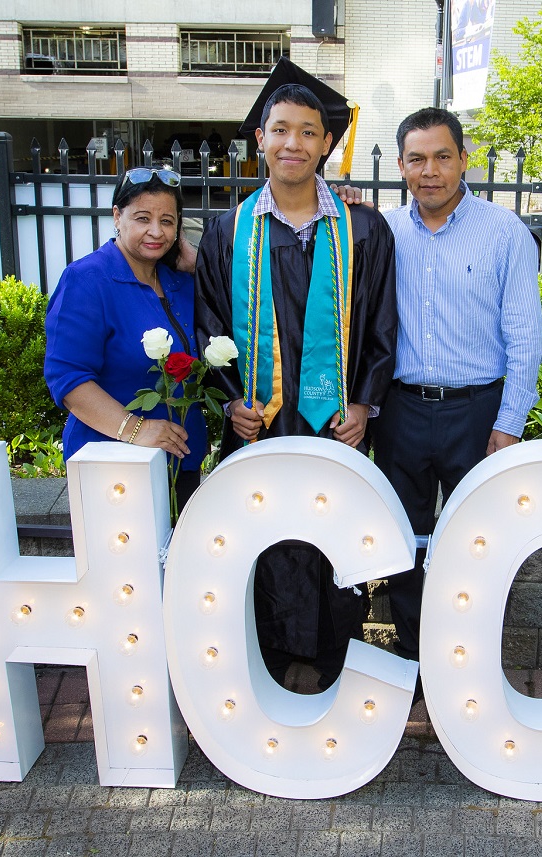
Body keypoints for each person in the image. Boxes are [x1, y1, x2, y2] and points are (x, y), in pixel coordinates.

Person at [195, 83, 398, 690]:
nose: (293, 143)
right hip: (257, 420)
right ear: (260, 139)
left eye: (308, 132)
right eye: (280, 129)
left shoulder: (362, 229)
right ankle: (273, 654)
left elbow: (384, 319)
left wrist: (365, 400)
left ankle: (335, 650)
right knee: (269, 530)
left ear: (327, 143)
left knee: (332, 526)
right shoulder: (229, 231)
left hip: (337, 420)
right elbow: (209, 322)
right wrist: (232, 400)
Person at [372, 107, 542, 665]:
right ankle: (412, 651)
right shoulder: (384, 233)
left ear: (464, 160)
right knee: (404, 541)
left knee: (479, 541)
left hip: (477, 413)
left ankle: (467, 653)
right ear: (400, 165)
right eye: (417, 159)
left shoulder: (504, 234)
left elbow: (525, 337)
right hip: (399, 409)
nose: (430, 171)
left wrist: (509, 424)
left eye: (443, 157)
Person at [44, 167, 206, 509]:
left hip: (182, 462)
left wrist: (199, 265)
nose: (156, 231)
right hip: (114, 465)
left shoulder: (181, 281)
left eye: (167, 221)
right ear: (117, 216)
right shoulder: (87, 280)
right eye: (142, 218)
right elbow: (68, 379)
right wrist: (137, 429)